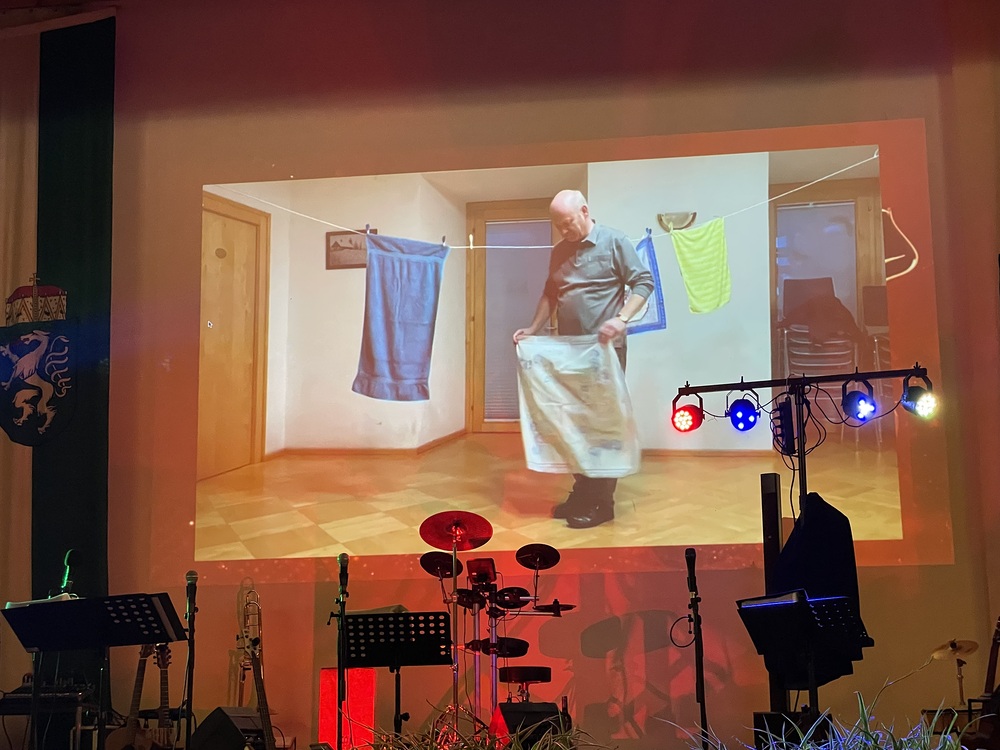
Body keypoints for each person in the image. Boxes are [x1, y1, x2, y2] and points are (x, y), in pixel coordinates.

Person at [513, 190, 654, 528]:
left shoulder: (614, 241)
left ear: (585, 211)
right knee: (573, 423)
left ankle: (602, 503)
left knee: (601, 426)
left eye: (568, 223)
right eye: (558, 226)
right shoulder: (560, 251)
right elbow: (551, 294)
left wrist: (621, 319)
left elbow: (643, 283)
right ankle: (583, 492)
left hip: (603, 352)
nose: (564, 231)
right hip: (569, 352)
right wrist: (533, 329)